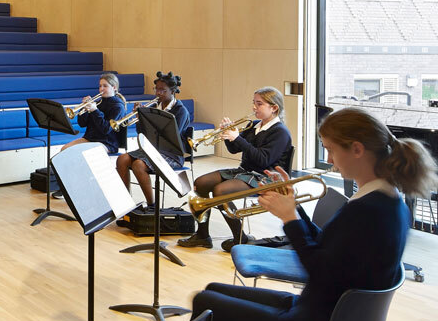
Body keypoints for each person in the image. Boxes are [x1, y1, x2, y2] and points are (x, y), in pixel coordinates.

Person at [191, 107, 437, 321]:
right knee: (213, 290)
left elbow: (317, 269)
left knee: (206, 301)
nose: (329, 160)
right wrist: (294, 207)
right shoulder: (385, 201)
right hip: (324, 316)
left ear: (357, 149)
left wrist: (289, 219)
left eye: (330, 150)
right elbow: (326, 248)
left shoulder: (369, 212)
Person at [178, 87, 292, 251]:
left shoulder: (280, 132)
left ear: (274, 108)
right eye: (253, 102)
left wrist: (238, 138)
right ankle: (202, 235)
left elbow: (263, 160)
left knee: (220, 191)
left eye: (259, 104)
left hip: (265, 177)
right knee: (201, 183)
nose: (254, 107)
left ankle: (240, 238)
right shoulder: (254, 125)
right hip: (245, 171)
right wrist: (227, 135)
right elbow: (234, 149)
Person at [114, 71, 189, 208]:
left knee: (138, 165)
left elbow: (172, 137)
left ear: (172, 92)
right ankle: (126, 202)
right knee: (122, 159)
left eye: (163, 90)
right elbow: (142, 134)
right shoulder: (154, 107)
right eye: (156, 89)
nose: (158, 93)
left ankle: (151, 205)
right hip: (153, 149)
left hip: (172, 154)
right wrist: (140, 118)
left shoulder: (180, 111)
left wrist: (152, 121)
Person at [60, 73, 126, 155]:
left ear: (114, 87)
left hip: (107, 143)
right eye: (100, 86)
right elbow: (82, 124)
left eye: (105, 86)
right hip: (90, 139)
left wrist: (95, 111)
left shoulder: (118, 107)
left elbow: (105, 129)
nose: (101, 89)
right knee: (64, 149)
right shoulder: (98, 103)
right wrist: (83, 108)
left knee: (83, 152)